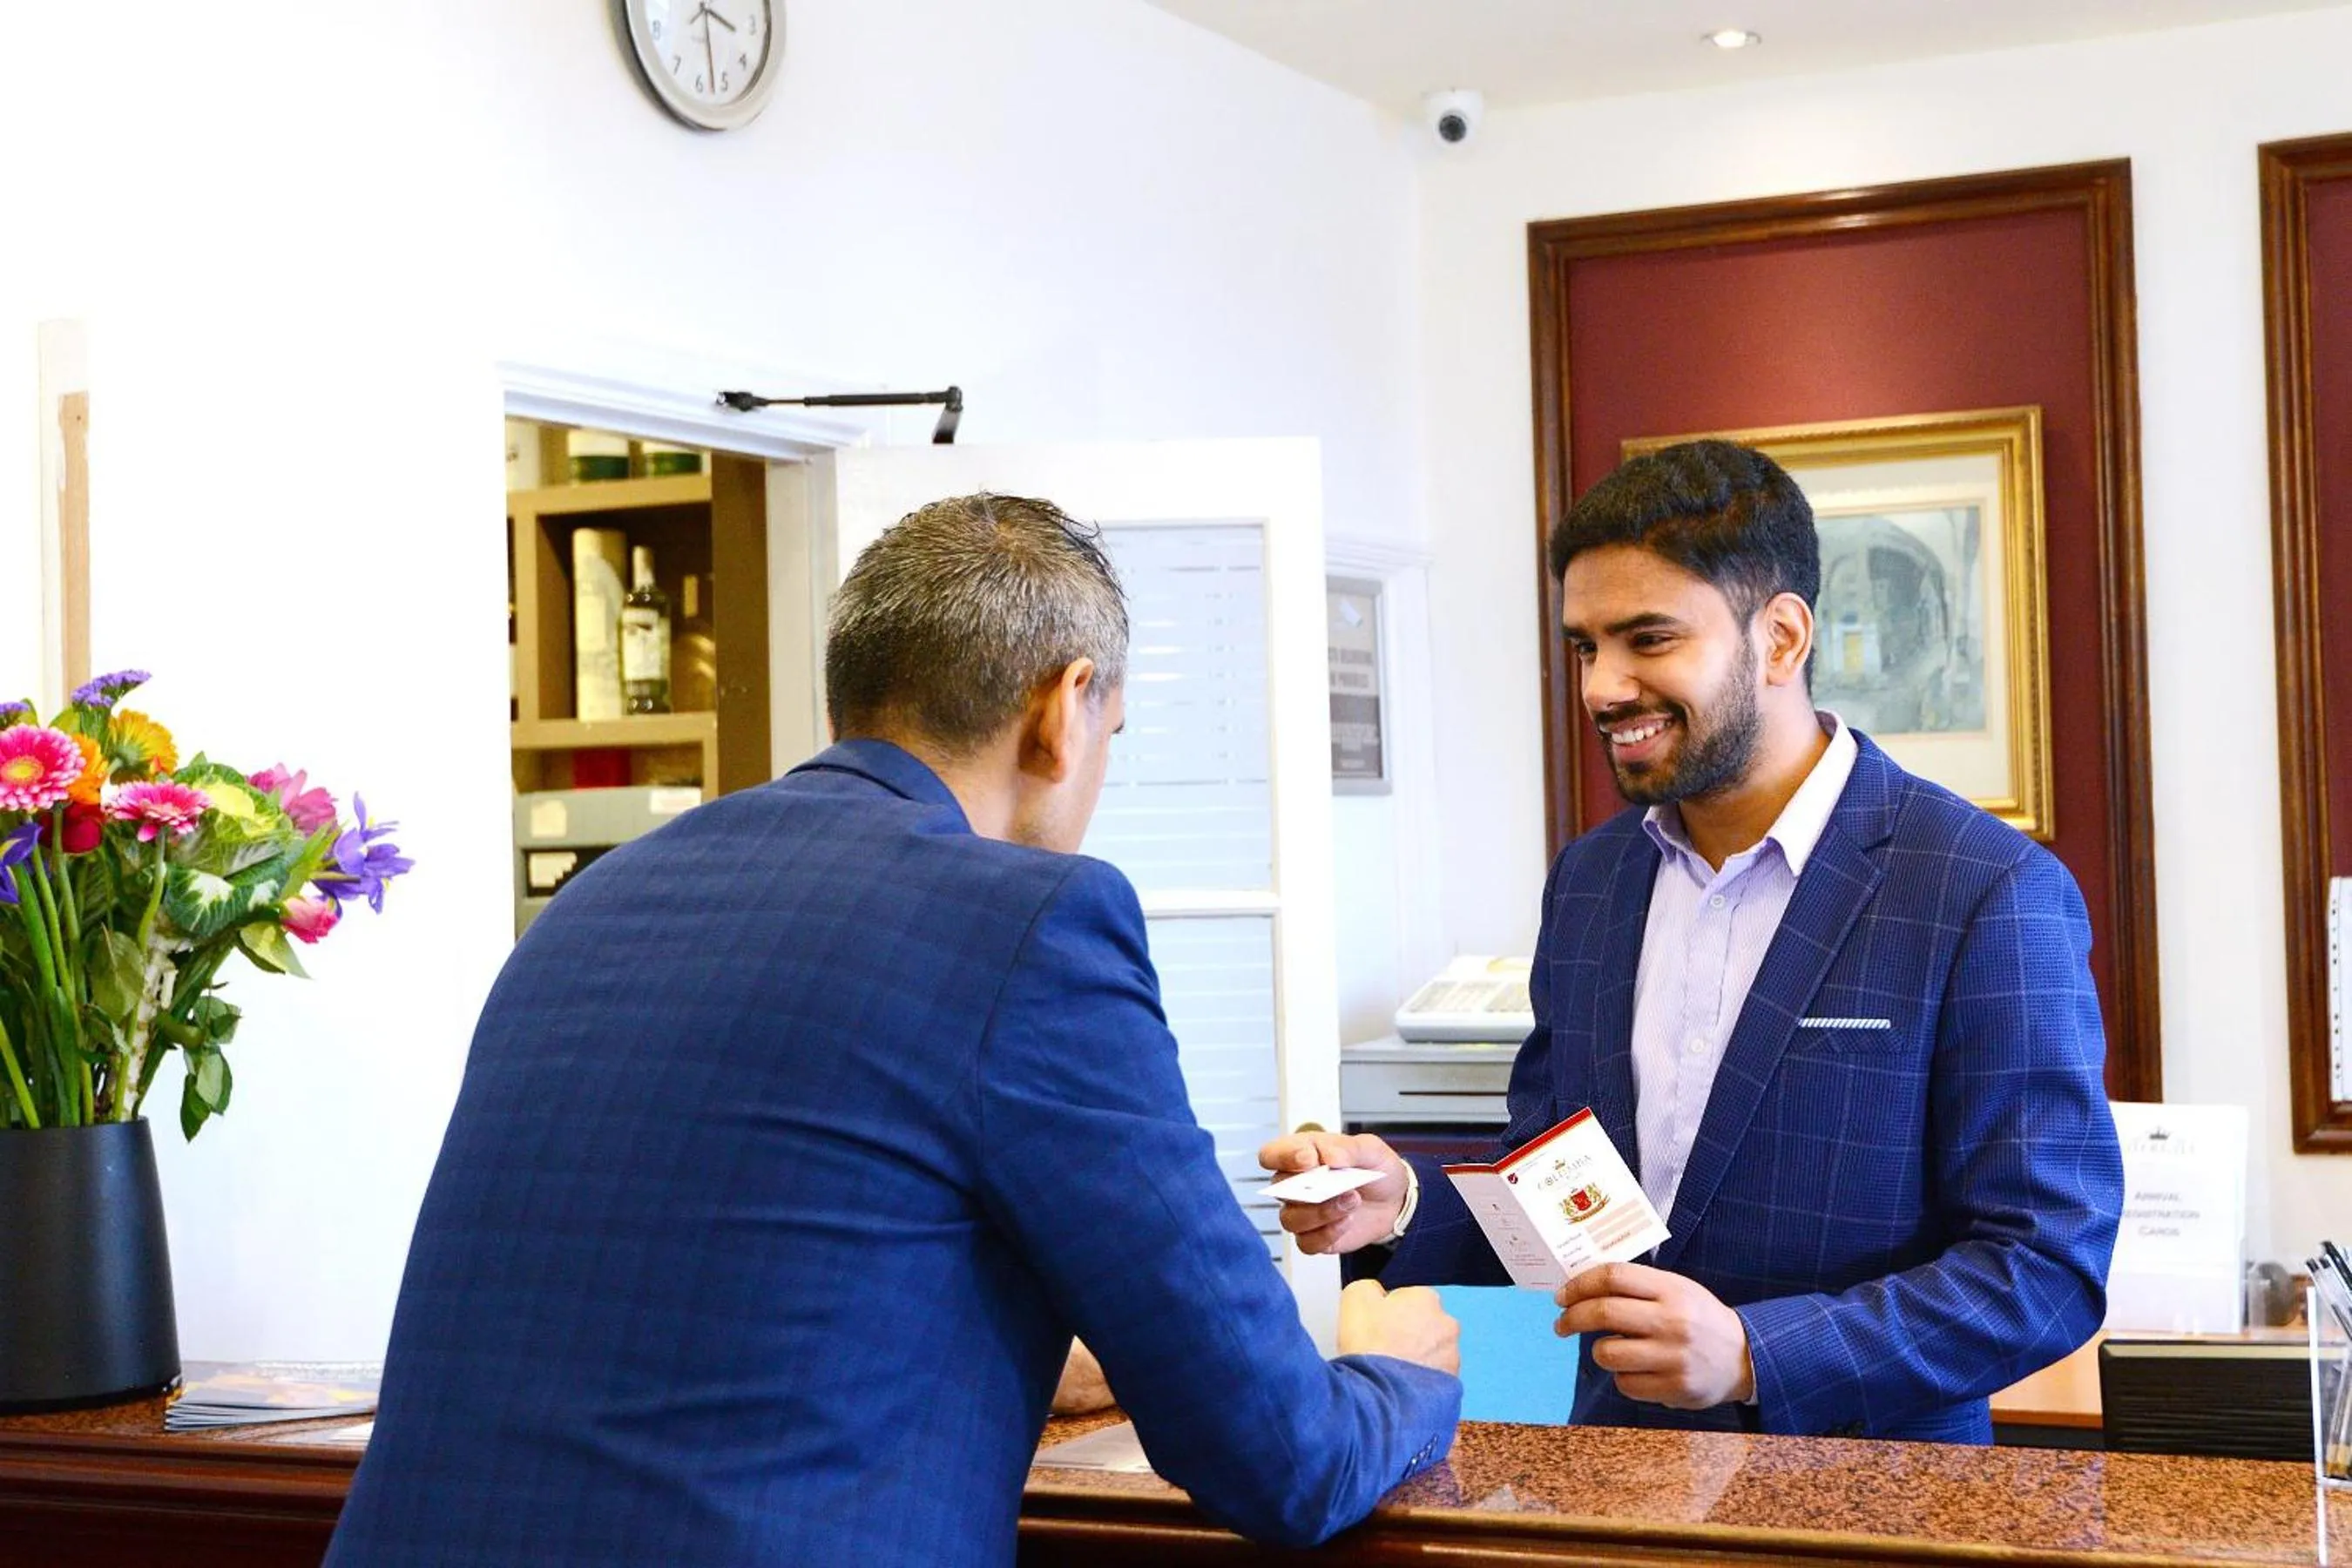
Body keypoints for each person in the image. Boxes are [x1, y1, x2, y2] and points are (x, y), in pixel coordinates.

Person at [328, 495, 1461, 1567]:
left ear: (845, 706)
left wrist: (1023, 1351)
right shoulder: (1033, 921)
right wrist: (1389, 1374)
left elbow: (711, 1291)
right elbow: (1281, 1459)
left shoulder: (599, 902)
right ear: (1063, 712)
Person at [1262, 441, 2122, 1443]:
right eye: (1586, 646)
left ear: (1782, 640)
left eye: (1647, 639)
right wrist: (1398, 1202)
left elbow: (2045, 1265)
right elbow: (1565, 1191)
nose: (1601, 687)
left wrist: (1757, 1354)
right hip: (1613, 1486)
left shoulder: (1986, 889)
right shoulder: (1592, 880)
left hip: (1871, 1511)